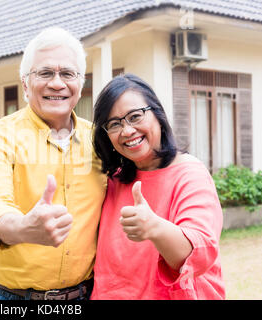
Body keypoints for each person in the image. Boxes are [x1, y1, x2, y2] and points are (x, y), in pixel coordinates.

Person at [0, 27, 106, 300]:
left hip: (85, 294)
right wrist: (24, 228)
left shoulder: (101, 140)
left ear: (80, 84)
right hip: (13, 297)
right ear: (24, 83)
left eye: (68, 74)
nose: (57, 83)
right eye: (45, 73)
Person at [90, 73, 225, 300]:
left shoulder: (189, 173)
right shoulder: (112, 180)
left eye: (135, 116)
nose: (127, 131)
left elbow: (199, 255)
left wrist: (154, 228)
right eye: (114, 124)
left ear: (158, 114)